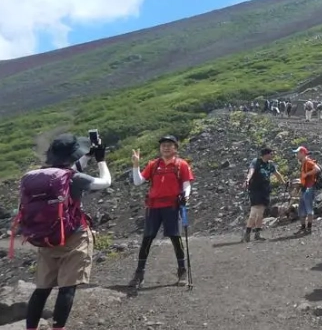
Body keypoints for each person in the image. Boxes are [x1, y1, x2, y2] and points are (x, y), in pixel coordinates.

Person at [20, 134, 111, 330]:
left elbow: (67, 172)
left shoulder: (37, 176)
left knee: (42, 289)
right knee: (67, 287)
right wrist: (101, 160)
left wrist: (86, 157)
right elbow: (105, 182)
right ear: (72, 155)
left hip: (44, 238)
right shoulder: (75, 178)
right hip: (73, 237)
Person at [129, 135, 195, 288]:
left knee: (176, 238)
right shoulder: (153, 164)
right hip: (153, 207)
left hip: (172, 206)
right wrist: (136, 165)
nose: (165, 147)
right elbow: (138, 181)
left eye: (169, 145)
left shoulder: (181, 164)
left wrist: (186, 196)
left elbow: (186, 184)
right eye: (163, 145)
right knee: (147, 238)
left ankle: (182, 270)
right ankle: (139, 273)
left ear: (175, 148)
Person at [244, 147, 288, 242]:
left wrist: (284, 182)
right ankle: (247, 233)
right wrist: (248, 179)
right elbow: (251, 170)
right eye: (271, 154)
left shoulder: (270, 164)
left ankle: (257, 233)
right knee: (254, 211)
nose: (272, 155)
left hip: (265, 190)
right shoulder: (257, 162)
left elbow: (277, 174)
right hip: (255, 190)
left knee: (260, 213)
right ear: (266, 154)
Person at [293, 146, 322, 234]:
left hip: (309, 187)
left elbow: (317, 169)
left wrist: (307, 174)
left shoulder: (308, 162)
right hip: (304, 187)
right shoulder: (303, 163)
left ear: (302, 153)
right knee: (301, 208)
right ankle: (303, 227)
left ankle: (309, 228)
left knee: (309, 208)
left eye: (297, 153)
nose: (296, 155)